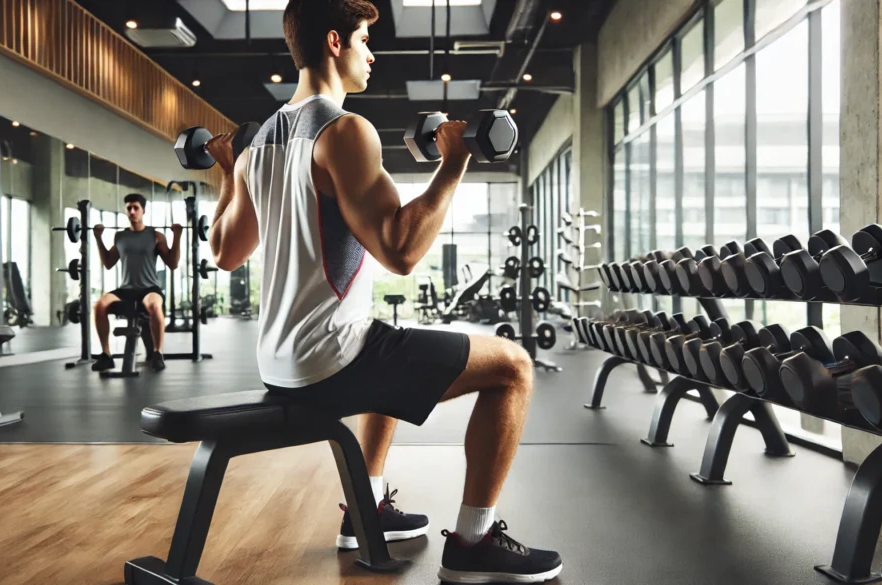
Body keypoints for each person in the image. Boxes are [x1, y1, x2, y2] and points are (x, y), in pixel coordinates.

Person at [204, 0, 563, 582]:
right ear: (334, 43)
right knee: (515, 367)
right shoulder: (345, 130)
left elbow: (224, 252)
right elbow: (400, 251)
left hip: (278, 361)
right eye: (366, 39)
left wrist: (227, 177)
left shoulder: (257, 145)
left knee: (382, 339)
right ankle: (473, 544)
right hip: (329, 362)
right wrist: (454, 163)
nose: (373, 53)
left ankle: (364, 510)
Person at [92, 193, 182, 373]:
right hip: (126, 288)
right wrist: (98, 238)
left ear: (143, 211)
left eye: (136, 208)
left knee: (155, 305)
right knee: (99, 305)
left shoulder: (155, 235)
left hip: (149, 288)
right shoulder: (120, 237)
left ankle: (157, 353)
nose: (132, 211)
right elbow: (108, 263)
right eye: (128, 208)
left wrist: (177, 237)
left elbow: (172, 263)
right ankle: (106, 355)